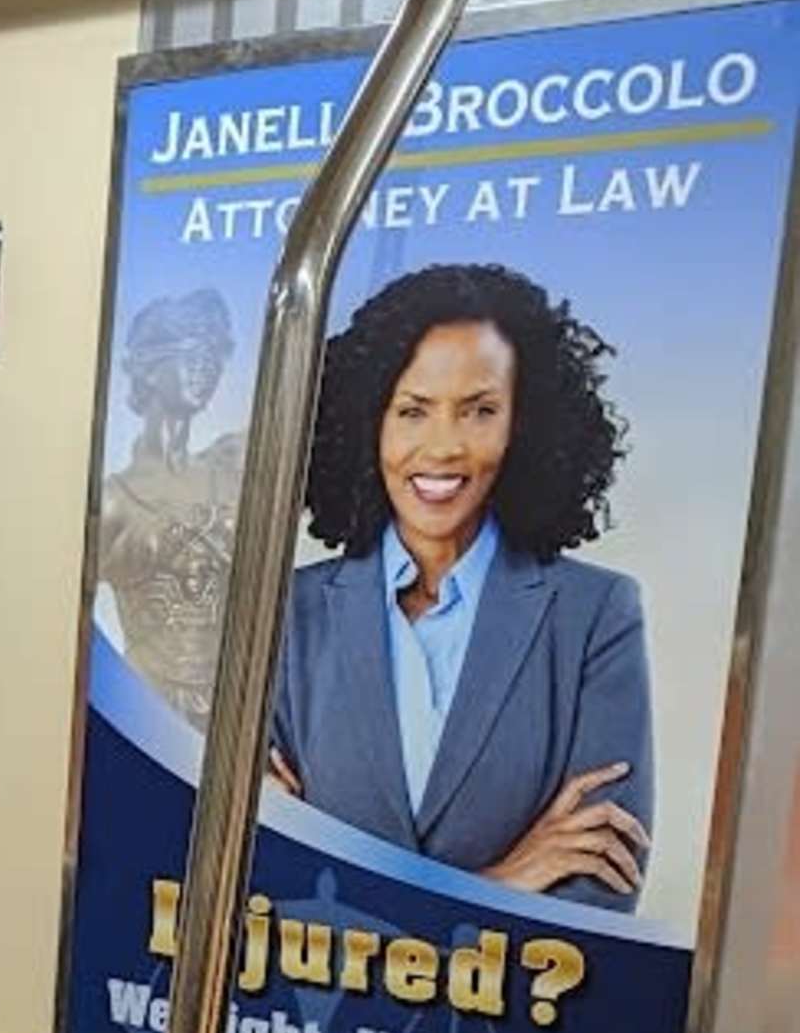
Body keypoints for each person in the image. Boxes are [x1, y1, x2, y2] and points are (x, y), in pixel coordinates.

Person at [264, 260, 651, 909]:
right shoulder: (290, 613)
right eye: (412, 411)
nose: (443, 447)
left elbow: (598, 888)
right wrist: (503, 881)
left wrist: (349, 908)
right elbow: (258, 884)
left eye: (479, 411)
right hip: (309, 1013)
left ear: (524, 424)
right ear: (367, 424)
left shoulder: (596, 616)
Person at [93, 287, 245, 727]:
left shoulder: (230, 466)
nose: (206, 369)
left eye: (214, 357)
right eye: (192, 354)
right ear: (148, 367)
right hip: (145, 716)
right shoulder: (114, 500)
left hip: (234, 713)